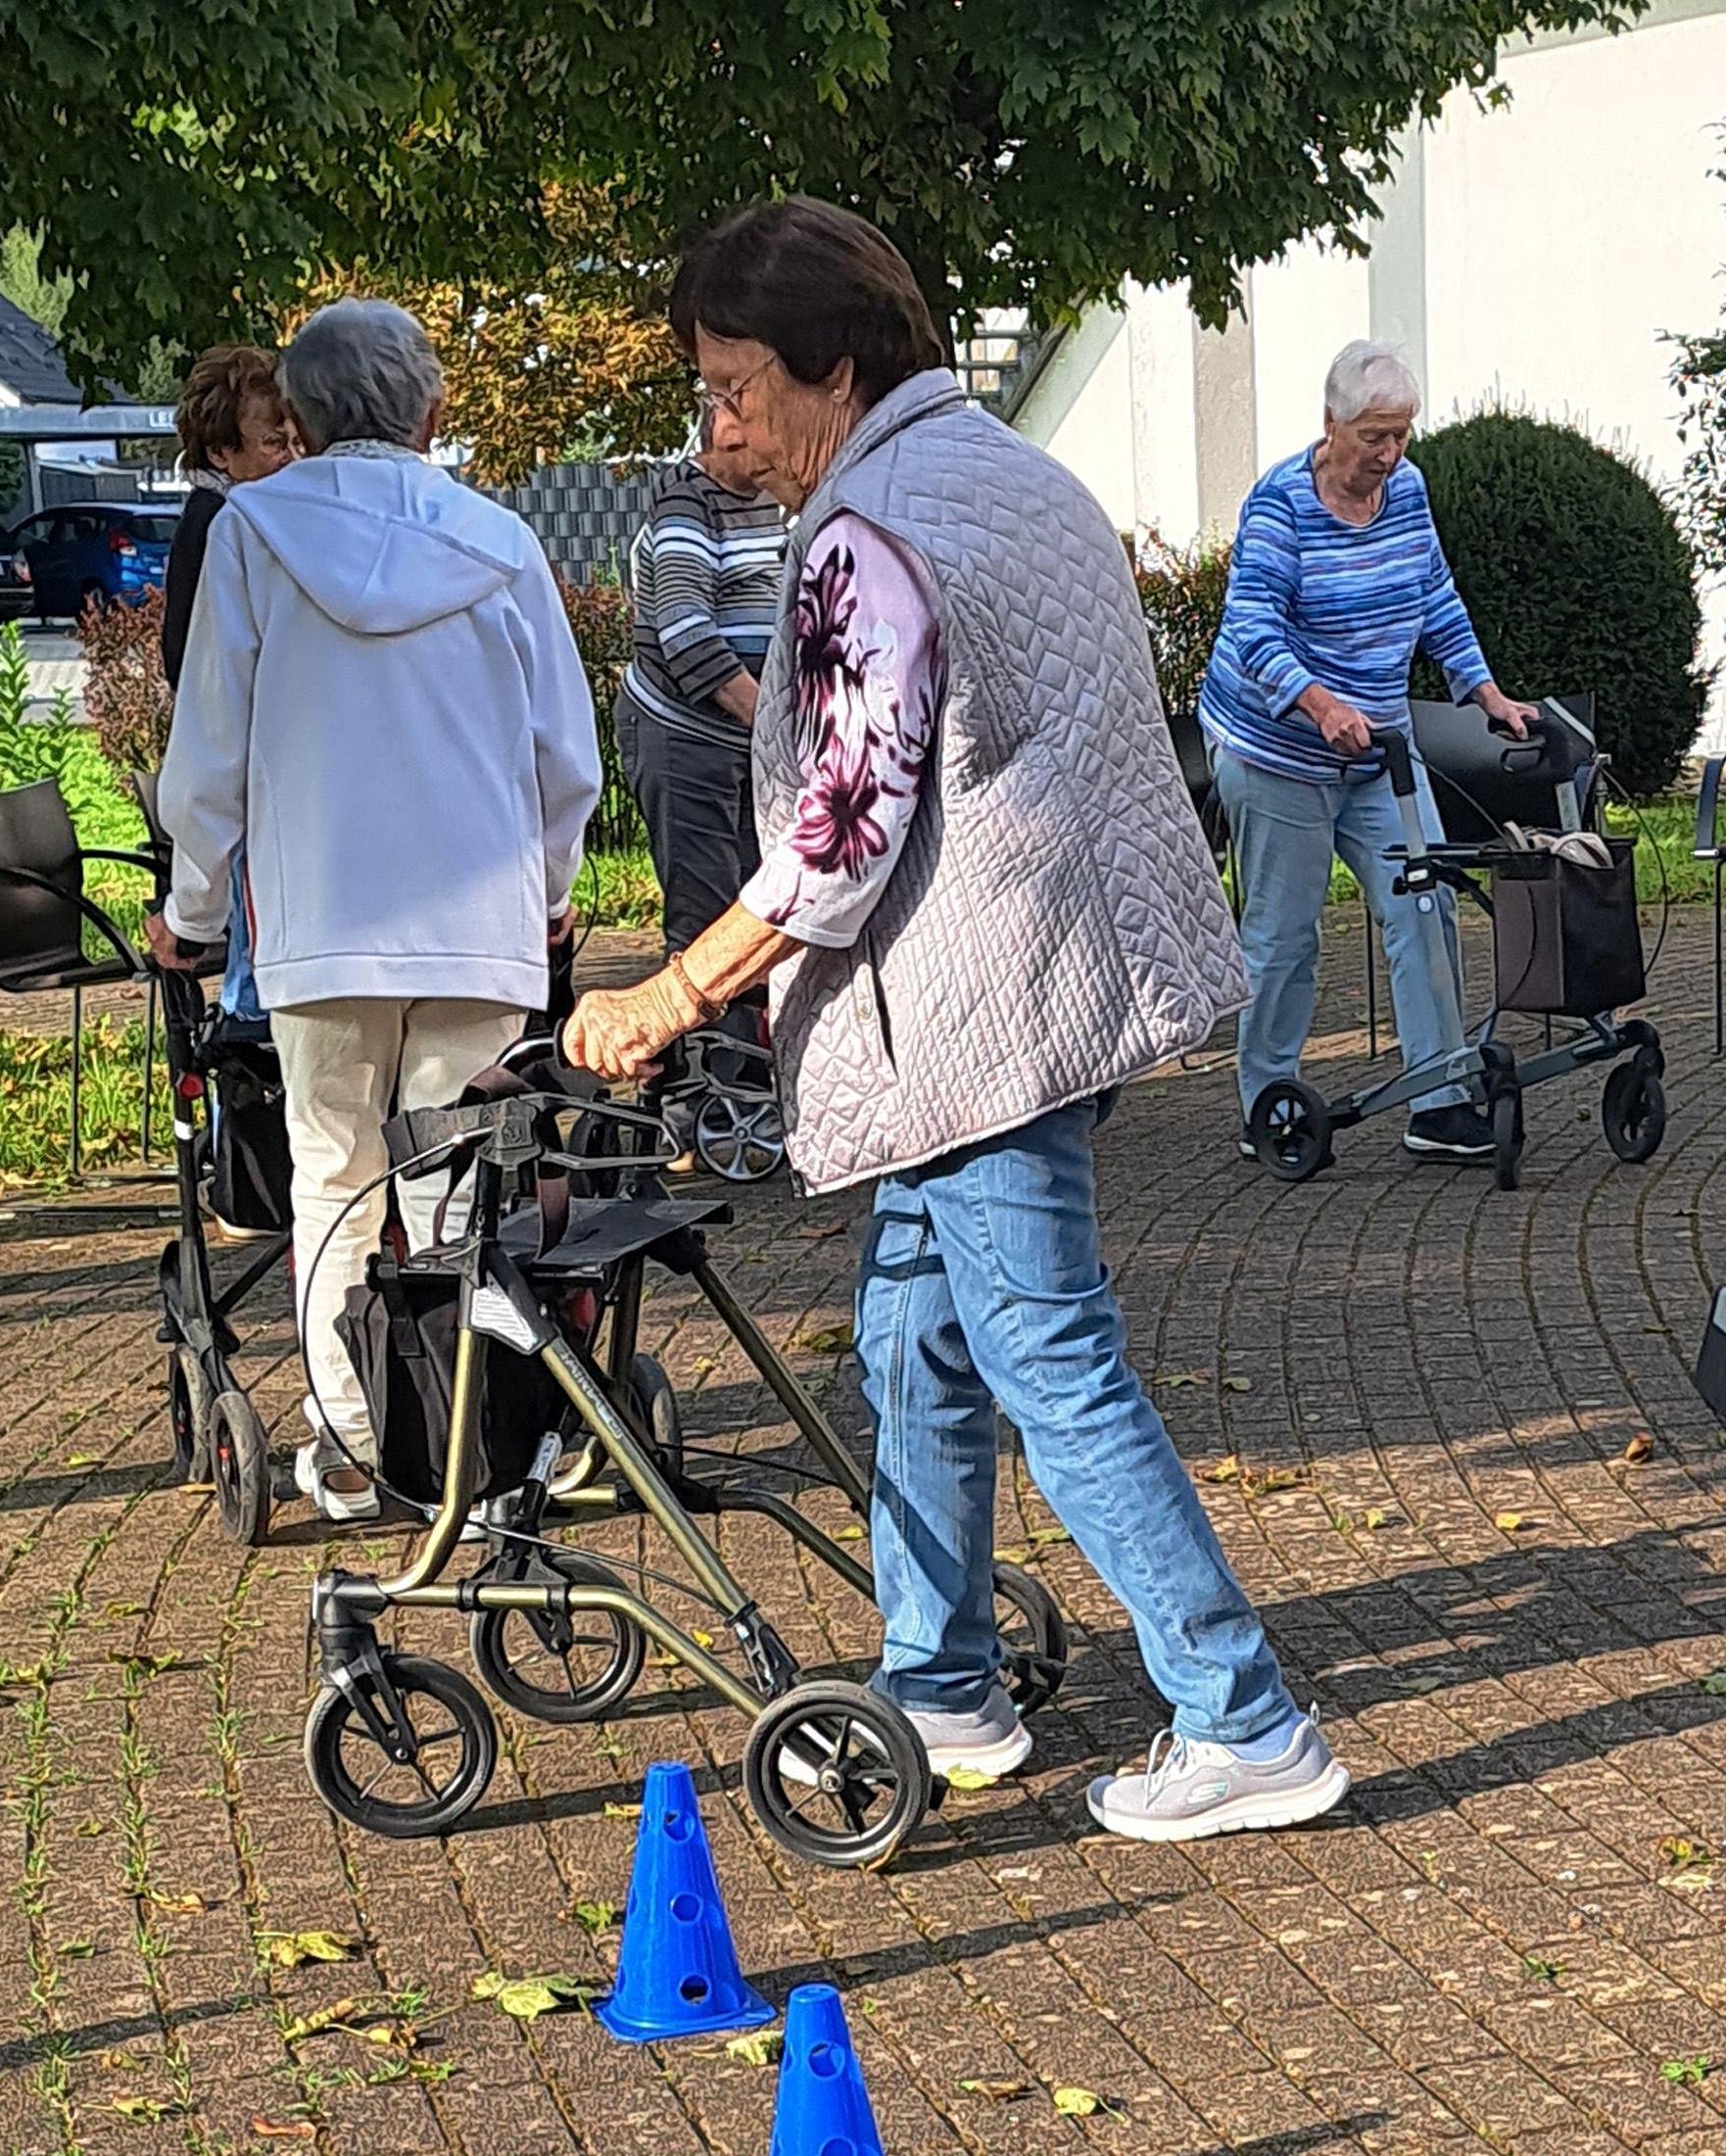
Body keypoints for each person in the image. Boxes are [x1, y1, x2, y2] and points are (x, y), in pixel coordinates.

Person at [560, 197, 1346, 1842]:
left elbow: (843, 829)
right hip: (1056, 975)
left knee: (1046, 1357)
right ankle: (936, 1681)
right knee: (915, 1334)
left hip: (977, 1011)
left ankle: (1242, 1716)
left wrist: (667, 992)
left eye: (729, 387)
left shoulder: (867, 537)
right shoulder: (1003, 472)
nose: (712, 431)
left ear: (829, 371)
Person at [149, 300, 602, 1524]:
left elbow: (207, 761)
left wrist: (191, 911)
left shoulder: (250, 533)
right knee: (467, 1183)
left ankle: (355, 1445)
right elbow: (566, 751)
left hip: (323, 930)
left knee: (335, 1178)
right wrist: (551, 892)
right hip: (478, 926)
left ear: (292, 418)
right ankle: (483, 1434)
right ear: (436, 414)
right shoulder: (500, 540)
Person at [1199, 340, 1542, 1164]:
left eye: (1401, 436)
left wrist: (1484, 692)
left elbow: (1435, 594)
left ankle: (1439, 1098)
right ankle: (1268, 1103)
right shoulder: (1280, 504)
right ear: (1331, 424)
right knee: (1285, 937)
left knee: (1423, 908)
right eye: (1373, 437)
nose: (1388, 455)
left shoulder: (1407, 492)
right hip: (1277, 747)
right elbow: (1251, 628)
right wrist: (1317, 704)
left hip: (1378, 750)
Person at [612, 438, 792, 1132]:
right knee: (706, 918)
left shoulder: (771, 504)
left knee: (757, 906)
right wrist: (771, 720)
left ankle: (742, 1084)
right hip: (686, 737)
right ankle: (696, 1101)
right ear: (723, 433)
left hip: (746, 742)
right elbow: (687, 637)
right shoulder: (688, 504)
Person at [157, 345, 298, 1030]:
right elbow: (190, 667)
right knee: (254, 970)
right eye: (273, 442)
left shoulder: (252, 522)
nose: (290, 457)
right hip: (249, 787)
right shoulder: (221, 530)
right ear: (221, 454)